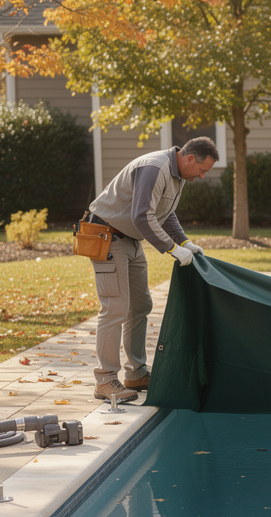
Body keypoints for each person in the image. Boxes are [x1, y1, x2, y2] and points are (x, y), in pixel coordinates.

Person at [83, 137, 218, 403]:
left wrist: (185, 243)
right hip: (106, 236)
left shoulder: (177, 176)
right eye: (202, 170)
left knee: (141, 306)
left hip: (130, 239)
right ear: (190, 158)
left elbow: (165, 214)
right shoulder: (154, 168)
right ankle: (106, 380)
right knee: (115, 307)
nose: (202, 176)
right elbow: (142, 215)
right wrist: (172, 249)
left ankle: (136, 373)